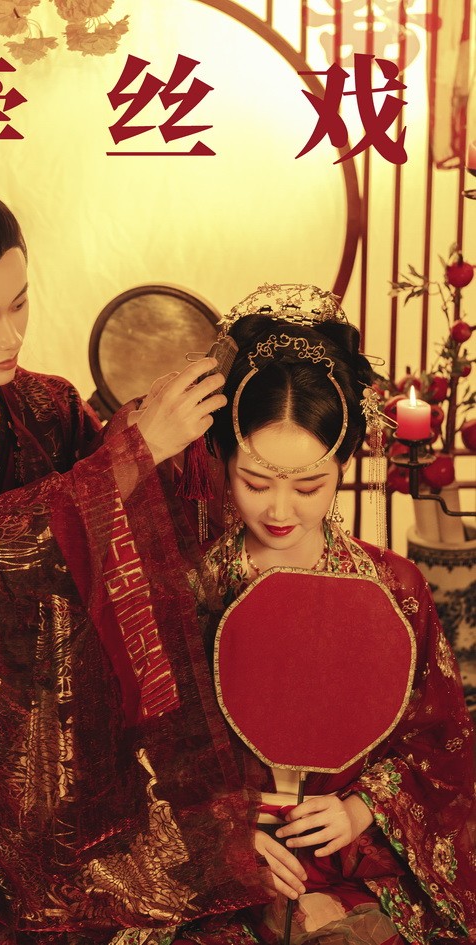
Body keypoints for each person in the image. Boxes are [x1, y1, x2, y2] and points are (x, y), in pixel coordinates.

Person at [0, 171, 268, 943]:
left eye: (20, 303)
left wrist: (160, 447)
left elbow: (116, 525)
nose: (10, 336)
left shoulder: (45, 404)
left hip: (58, 726)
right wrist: (131, 457)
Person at [179, 284, 476, 945]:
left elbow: (440, 743)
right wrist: (225, 833)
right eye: (256, 481)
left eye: (308, 484)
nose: (280, 509)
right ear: (221, 457)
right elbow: (144, 753)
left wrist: (363, 807)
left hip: (358, 856)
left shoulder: (393, 589)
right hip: (225, 861)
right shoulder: (191, 590)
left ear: (343, 465)